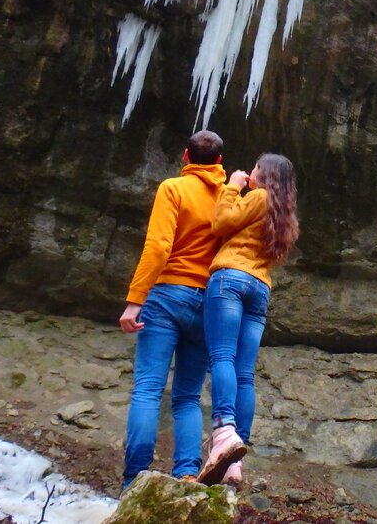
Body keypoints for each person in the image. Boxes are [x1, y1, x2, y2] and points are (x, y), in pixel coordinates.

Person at [119, 130, 226, 488]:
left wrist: (136, 299)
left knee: (148, 389)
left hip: (166, 296)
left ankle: (136, 479)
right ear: (220, 162)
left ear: (185, 156)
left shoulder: (173, 189)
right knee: (187, 397)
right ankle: (186, 473)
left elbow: (158, 246)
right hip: (208, 302)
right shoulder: (229, 197)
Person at [197, 153, 299, 485]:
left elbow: (221, 223)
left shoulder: (257, 196)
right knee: (245, 373)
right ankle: (234, 461)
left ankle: (224, 431)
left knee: (222, 356)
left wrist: (232, 187)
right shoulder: (284, 215)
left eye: (254, 167)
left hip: (230, 280)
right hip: (260, 289)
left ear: (263, 173)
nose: (250, 171)